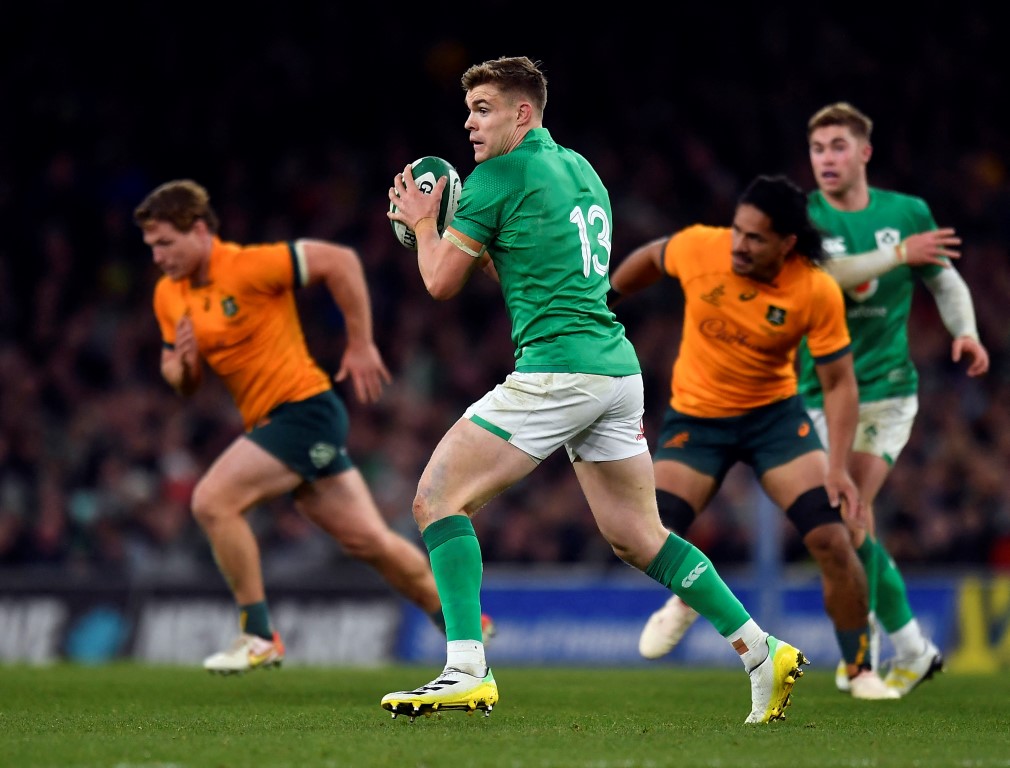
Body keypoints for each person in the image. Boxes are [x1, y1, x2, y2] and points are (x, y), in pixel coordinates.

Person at [380, 56, 807, 725]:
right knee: (640, 535)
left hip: (559, 370)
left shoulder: (499, 175)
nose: (469, 122)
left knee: (437, 498)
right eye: (468, 109)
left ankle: (466, 668)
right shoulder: (582, 171)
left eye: (484, 108)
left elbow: (438, 283)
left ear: (524, 112)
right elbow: (534, 271)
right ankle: (762, 650)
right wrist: (472, 237)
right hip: (616, 372)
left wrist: (424, 221)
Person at [133, 179, 492, 674]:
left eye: (166, 243)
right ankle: (466, 620)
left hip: (304, 411)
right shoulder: (168, 297)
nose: (158, 255)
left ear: (198, 231)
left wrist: (360, 344)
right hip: (279, 424)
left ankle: (258, 635)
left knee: (212, 501)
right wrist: (184, 367)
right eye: (151, 246)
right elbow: (179, 375)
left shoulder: (247, 265)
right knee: (371, 542)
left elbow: (338, 262)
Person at [612, 173, 899, 700]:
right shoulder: (703, 247)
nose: (739, 245)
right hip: (697, 421)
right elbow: (653, 257)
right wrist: (607, 297)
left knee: (832, 539)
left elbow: (839, 383)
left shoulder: (813, 288)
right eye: (738, 231)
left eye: (755, 237)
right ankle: (689, 598)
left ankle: (860, 670)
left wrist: (837, 467)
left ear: (787, 244)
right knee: (646, 530)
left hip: (774, 422)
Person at [799, 101, 989, 695]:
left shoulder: (907, 213)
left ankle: (882, 652)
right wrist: (898, 255)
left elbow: (944, 278)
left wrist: (965, 331)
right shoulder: (803, 215)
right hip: (817, 390)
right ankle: (911, 650)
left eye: (837, 147)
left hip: (885, 391)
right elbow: (828, 277)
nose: (826, 159)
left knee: (846, 511)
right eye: (817, 149)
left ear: (864, 153)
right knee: (850, 526)